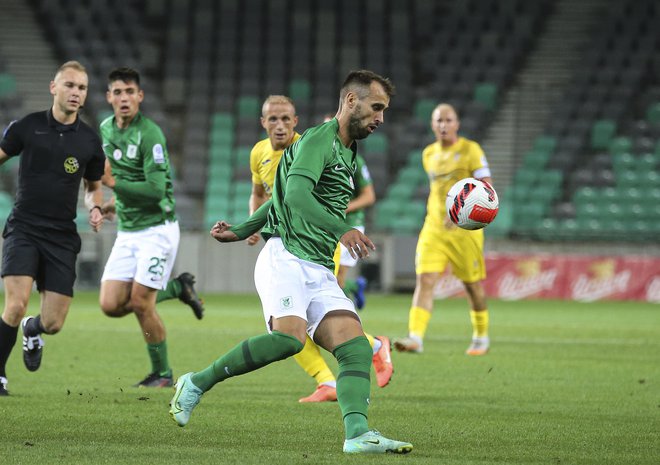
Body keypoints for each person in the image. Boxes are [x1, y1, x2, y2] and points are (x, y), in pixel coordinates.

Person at [170, 70, 412, 454]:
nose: (381, 117)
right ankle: (195, 382)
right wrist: (342, 228)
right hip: (285, 256)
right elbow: (297, 198)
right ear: (351, 100)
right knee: (288, 340)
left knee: (356, 348)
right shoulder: (320, 139)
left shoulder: (348, 150)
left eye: (384, 110)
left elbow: (279, 194)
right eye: (376, 107)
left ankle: (358, 435)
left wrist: (240, 229)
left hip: (316, 266)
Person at [248, 96, 392, 403]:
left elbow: (297, 196)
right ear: (263, 123)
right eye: (272, 119)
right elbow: (263, 195)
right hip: (288, 242)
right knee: (297, 320)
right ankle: (336, 374)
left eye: (286, 119)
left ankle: (367, 352)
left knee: (313, 313)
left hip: (320, 239)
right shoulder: (258, 153)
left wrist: (341, 226)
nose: (280, 125)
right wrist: (249, 226)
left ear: (296, 121)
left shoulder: (311, 144)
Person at [0, 61, 105, 396]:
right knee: (14, 305)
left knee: (54, 324)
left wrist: (95, 207)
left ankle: (34, 329)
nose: (76, 93)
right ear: (54, 88)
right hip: (24, 228)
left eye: (82, 88)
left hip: (61, 236)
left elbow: (93, 186)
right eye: (70, 85)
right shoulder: (27, 127)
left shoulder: (89, 141)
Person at [98, 67, 204, 388]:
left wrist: (113, 185)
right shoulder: (105, 129)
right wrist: (115, 204)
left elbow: (156, 190)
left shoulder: (151, 134)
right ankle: (178, 288)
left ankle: (162, 374)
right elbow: (125, 175)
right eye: (117, 92)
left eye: (130, 92)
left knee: (141, 303)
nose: (124, 98)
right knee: (110, 304)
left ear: (140, 96)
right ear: (109, 98)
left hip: (158, 230)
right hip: (128, 230)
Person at [393, 103, 492, 356]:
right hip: (434, 228)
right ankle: (415, 337)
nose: (443, 125)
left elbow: (486, 187)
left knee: (472, 286)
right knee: (425, 280)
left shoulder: (471, 150)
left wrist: (459, 212)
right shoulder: (428, 154)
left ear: (457, 124)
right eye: (439, 121)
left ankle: (481, 336)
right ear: (432, 125)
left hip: (465, 230)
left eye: (448, 120)